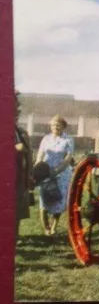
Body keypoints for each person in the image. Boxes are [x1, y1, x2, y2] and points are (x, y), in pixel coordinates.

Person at [35, 115, 75, 236]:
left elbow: (68, 158)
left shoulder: (68, 139)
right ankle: (46, 227)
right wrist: (38, 168)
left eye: (58, 125)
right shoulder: (46, 139)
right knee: (44, 199)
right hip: (45, 172)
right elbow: (40, 154)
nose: (55, 127)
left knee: (59, 200)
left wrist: (57, 171)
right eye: (53, 125)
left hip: (61, 173)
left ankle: (54, 227)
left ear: (64, 127)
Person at [14, 92, 33, 232]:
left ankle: (15, 236)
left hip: (20, 178)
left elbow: (29, 155)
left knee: (17, 211)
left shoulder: (21, 132)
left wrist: (30, 175)